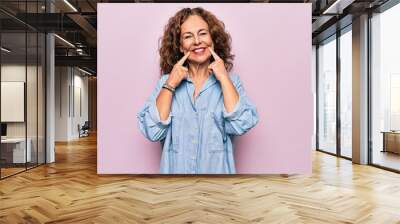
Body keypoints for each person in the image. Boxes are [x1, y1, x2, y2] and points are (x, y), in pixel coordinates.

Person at [137, 7, 259, 174]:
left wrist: (224, 78)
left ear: (213, 40)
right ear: (180, 46)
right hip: (175, 189)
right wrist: (171, 84)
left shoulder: (232, 83)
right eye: (188, 36)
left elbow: (241, 124)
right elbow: (152, 131)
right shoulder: (165, 83)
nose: (196, 41)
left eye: (202, 33)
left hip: (217, 189)